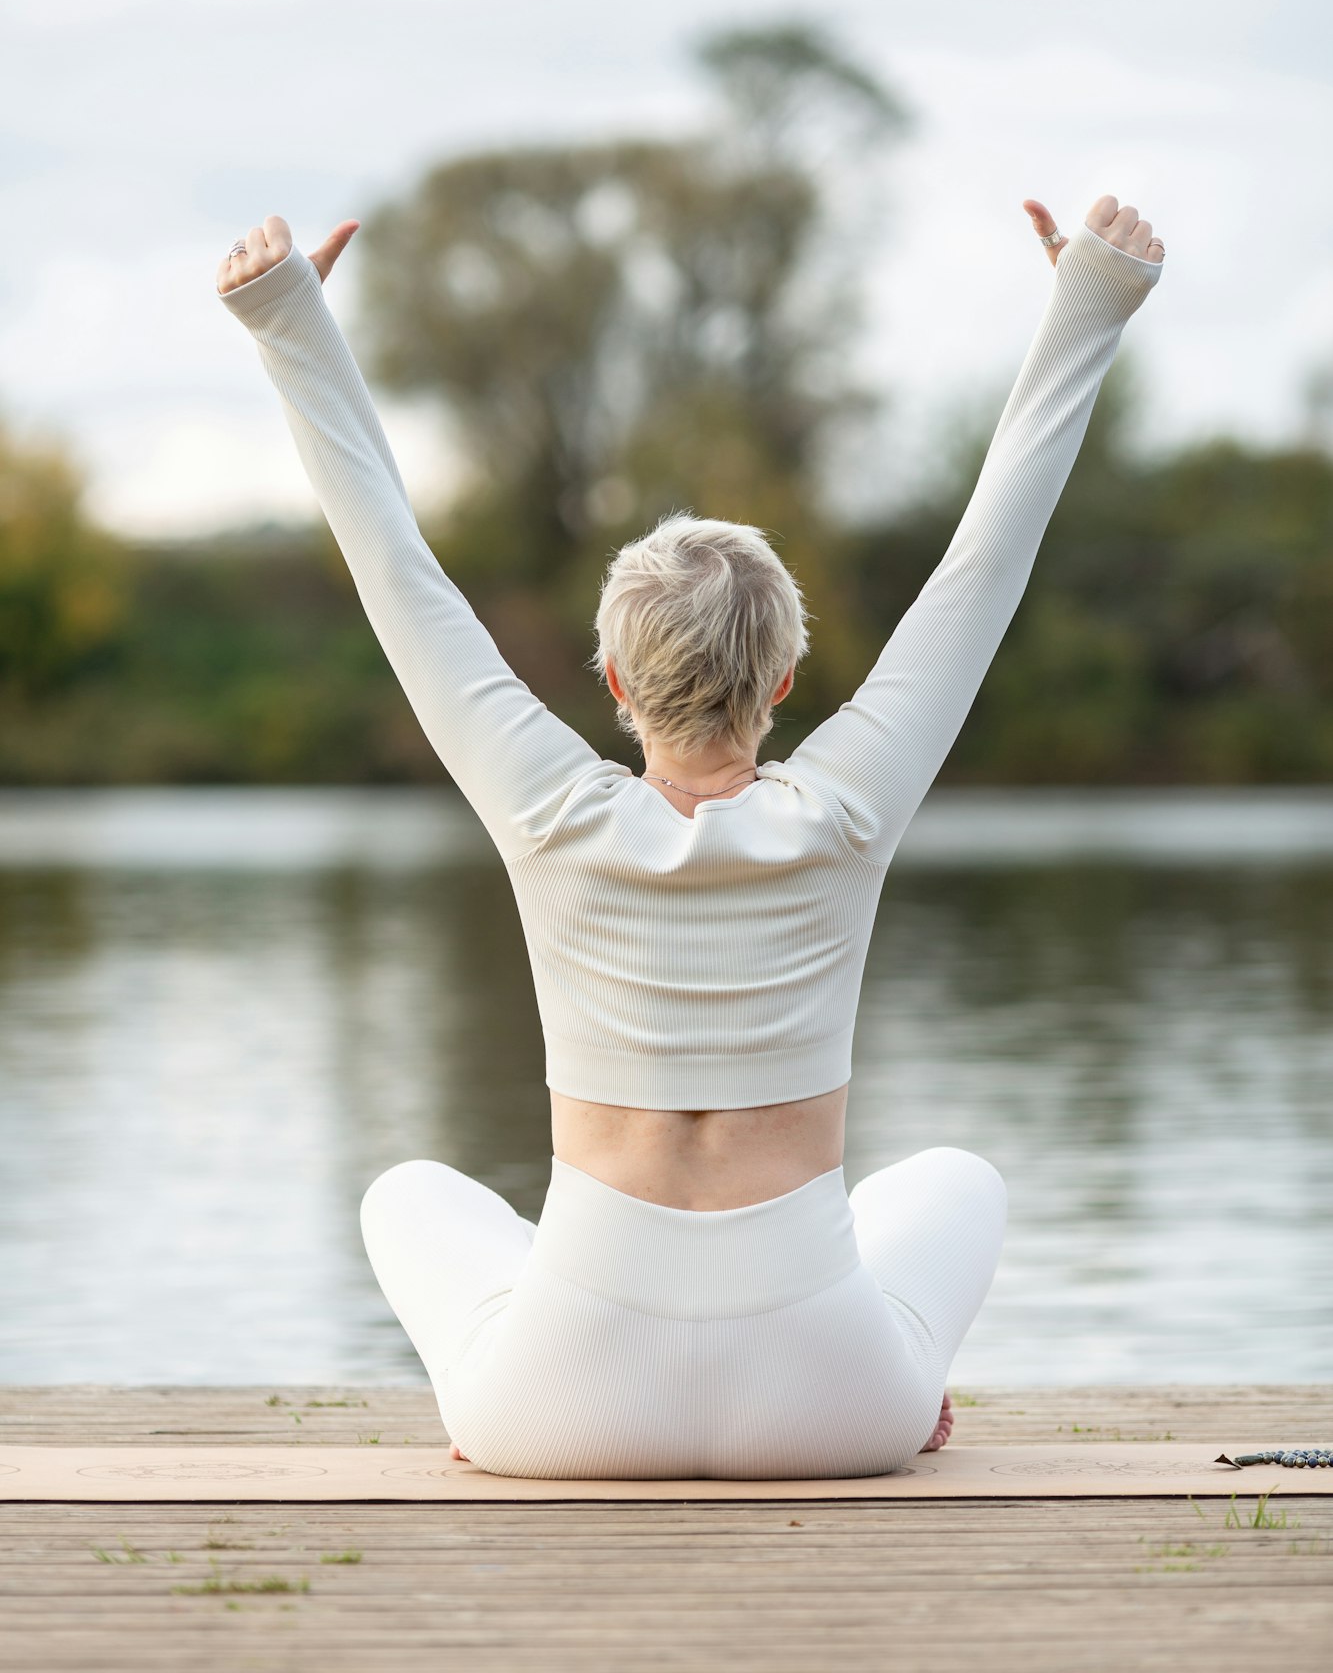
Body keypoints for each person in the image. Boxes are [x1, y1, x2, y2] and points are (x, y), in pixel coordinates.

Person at [217, 192, 1165, 1479]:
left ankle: (497, 1377)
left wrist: (289, 322)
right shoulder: (844, 813)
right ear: (782, 685)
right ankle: (907, 1379)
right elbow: (982, 562)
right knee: (953, 1179)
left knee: (408, 1195)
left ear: (612, 684)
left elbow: (398, 568)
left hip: (553, 1411)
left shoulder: (549, 810)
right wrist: (1087, 301)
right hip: (838, 1410)